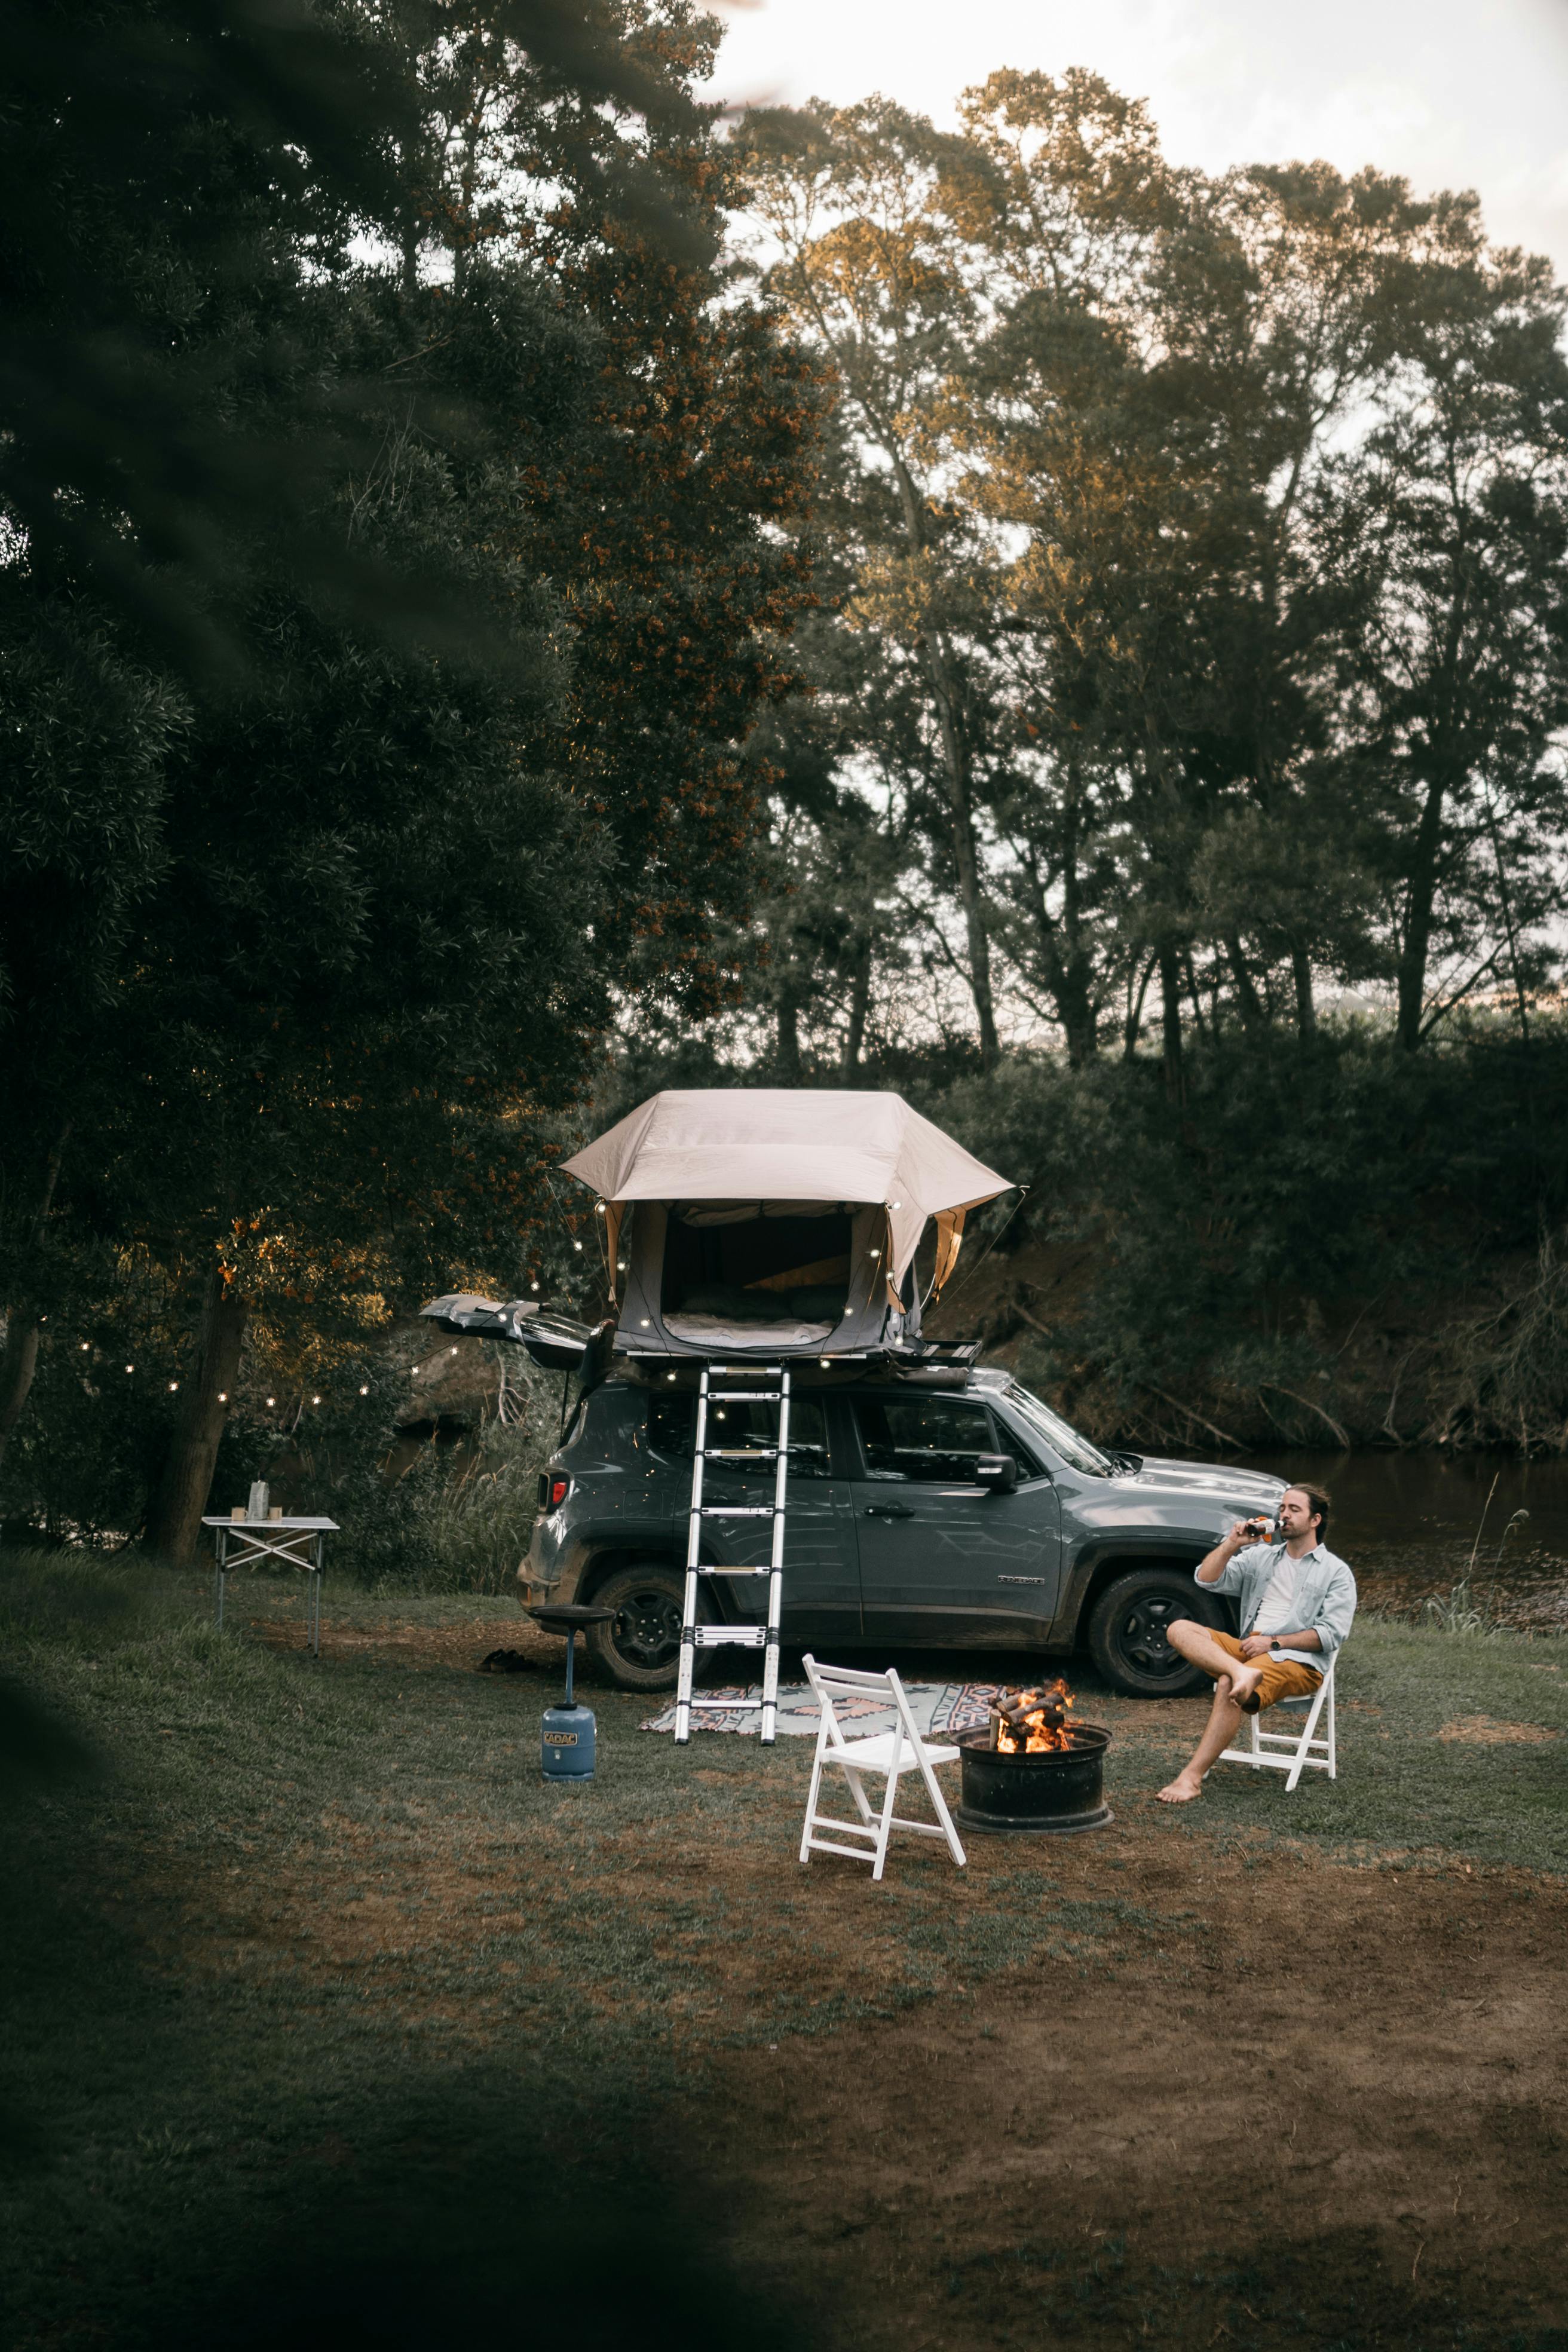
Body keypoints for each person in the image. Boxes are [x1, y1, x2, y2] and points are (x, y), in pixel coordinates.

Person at [1155, 1484, 1355, 1805]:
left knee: (1227, 1684)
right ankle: (1240, 1672)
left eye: (1294, 1509)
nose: (1284, 1515)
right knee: (1179, 1628)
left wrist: (1273, 1643)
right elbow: (1206, 1579)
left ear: (1315, 1520)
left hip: (1296, 1659)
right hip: (1248, 1651)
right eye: (1282, 1508)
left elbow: (1331, 1635)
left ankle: (1190, 1779)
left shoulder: (1337, 1573)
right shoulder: (1261, 1556)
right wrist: (1232, 1544)